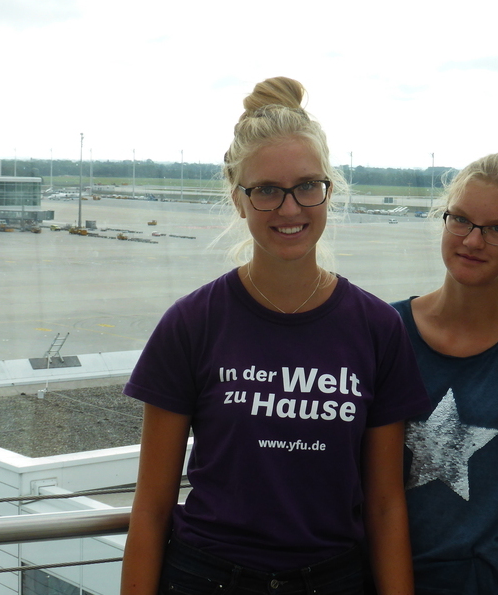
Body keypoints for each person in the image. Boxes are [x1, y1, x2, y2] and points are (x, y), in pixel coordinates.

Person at [121, 76, 429, 595]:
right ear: (238, 199)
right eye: (267, 190)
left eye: (308, 186)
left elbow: (384, 504)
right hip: (208, 577)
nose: (290, 209)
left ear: (328, 190)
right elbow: (151, 508)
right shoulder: (192, 324)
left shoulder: (378, 329)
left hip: (332, 579)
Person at [391, 153, 498, 595]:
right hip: (385, 577)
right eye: (461, 220)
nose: (472, 240)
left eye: (496, 229)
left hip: (483, 582)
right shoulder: (388, 332)